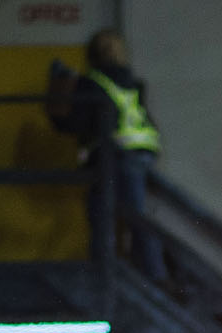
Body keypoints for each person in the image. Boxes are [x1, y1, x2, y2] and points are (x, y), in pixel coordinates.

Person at [47, 29, 169, 287]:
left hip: (116, 157)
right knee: (137, 217)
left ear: (91, 54)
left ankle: (107, 278)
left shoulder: (93, 82)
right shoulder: (130, 81)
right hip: (143, 152)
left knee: (102, 216)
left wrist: (57, 93)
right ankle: (151, 276)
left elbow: (76, 123)